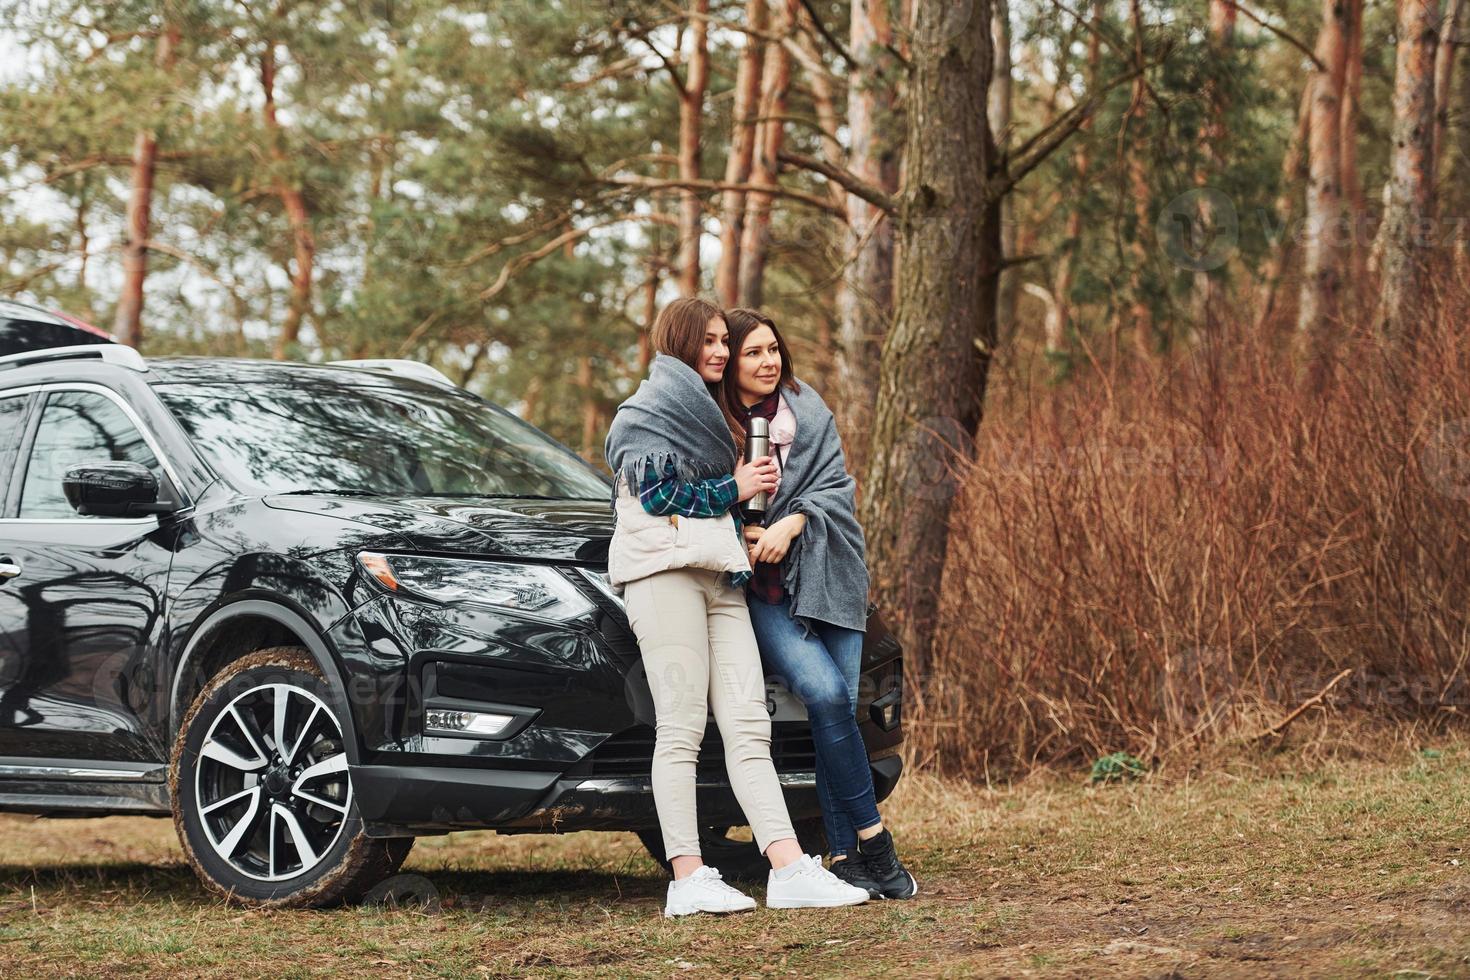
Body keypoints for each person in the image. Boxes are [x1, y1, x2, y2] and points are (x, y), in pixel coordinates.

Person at [604, 297, 870, 917]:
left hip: (722, 573)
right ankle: (688, 878)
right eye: (711, 341)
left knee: (750, 727)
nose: (722, 352)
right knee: (681, 726)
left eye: (727, 341)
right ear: (681, 343)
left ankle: (789, 868)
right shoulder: (643, 412)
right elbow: (656, 491)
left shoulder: (721, 417)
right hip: (664, 573)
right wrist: (736, 486)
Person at [716, 307, 918, 900]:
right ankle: (876, 843)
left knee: (841, 711)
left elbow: (839, 490)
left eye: (774, 349)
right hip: (763, 592)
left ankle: (844, 857)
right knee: (826, 695)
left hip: (830, 574)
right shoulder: (715, 422)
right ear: (732, 362)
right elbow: (704, 498)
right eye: (753, 352)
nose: (768, 361)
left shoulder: (810, 411)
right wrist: (743, 532)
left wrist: (796, 521)